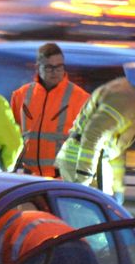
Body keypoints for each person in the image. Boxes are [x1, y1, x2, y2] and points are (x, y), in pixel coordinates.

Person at [56, 56, 135, 203]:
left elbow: (115, 148)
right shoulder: (126, 98)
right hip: (80, 164)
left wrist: (117, 188)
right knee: (88, 221)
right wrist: (83, 179)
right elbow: (94, 133)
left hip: (93, 166)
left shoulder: (133, 97)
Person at [9, 43, 89, 177]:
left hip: (62, 178)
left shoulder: (81, 98)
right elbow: (12, 137)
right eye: (49, 67)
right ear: (37, 67)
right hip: (27, 177)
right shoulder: (20, 95)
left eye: (59, 67)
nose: (55, 72)